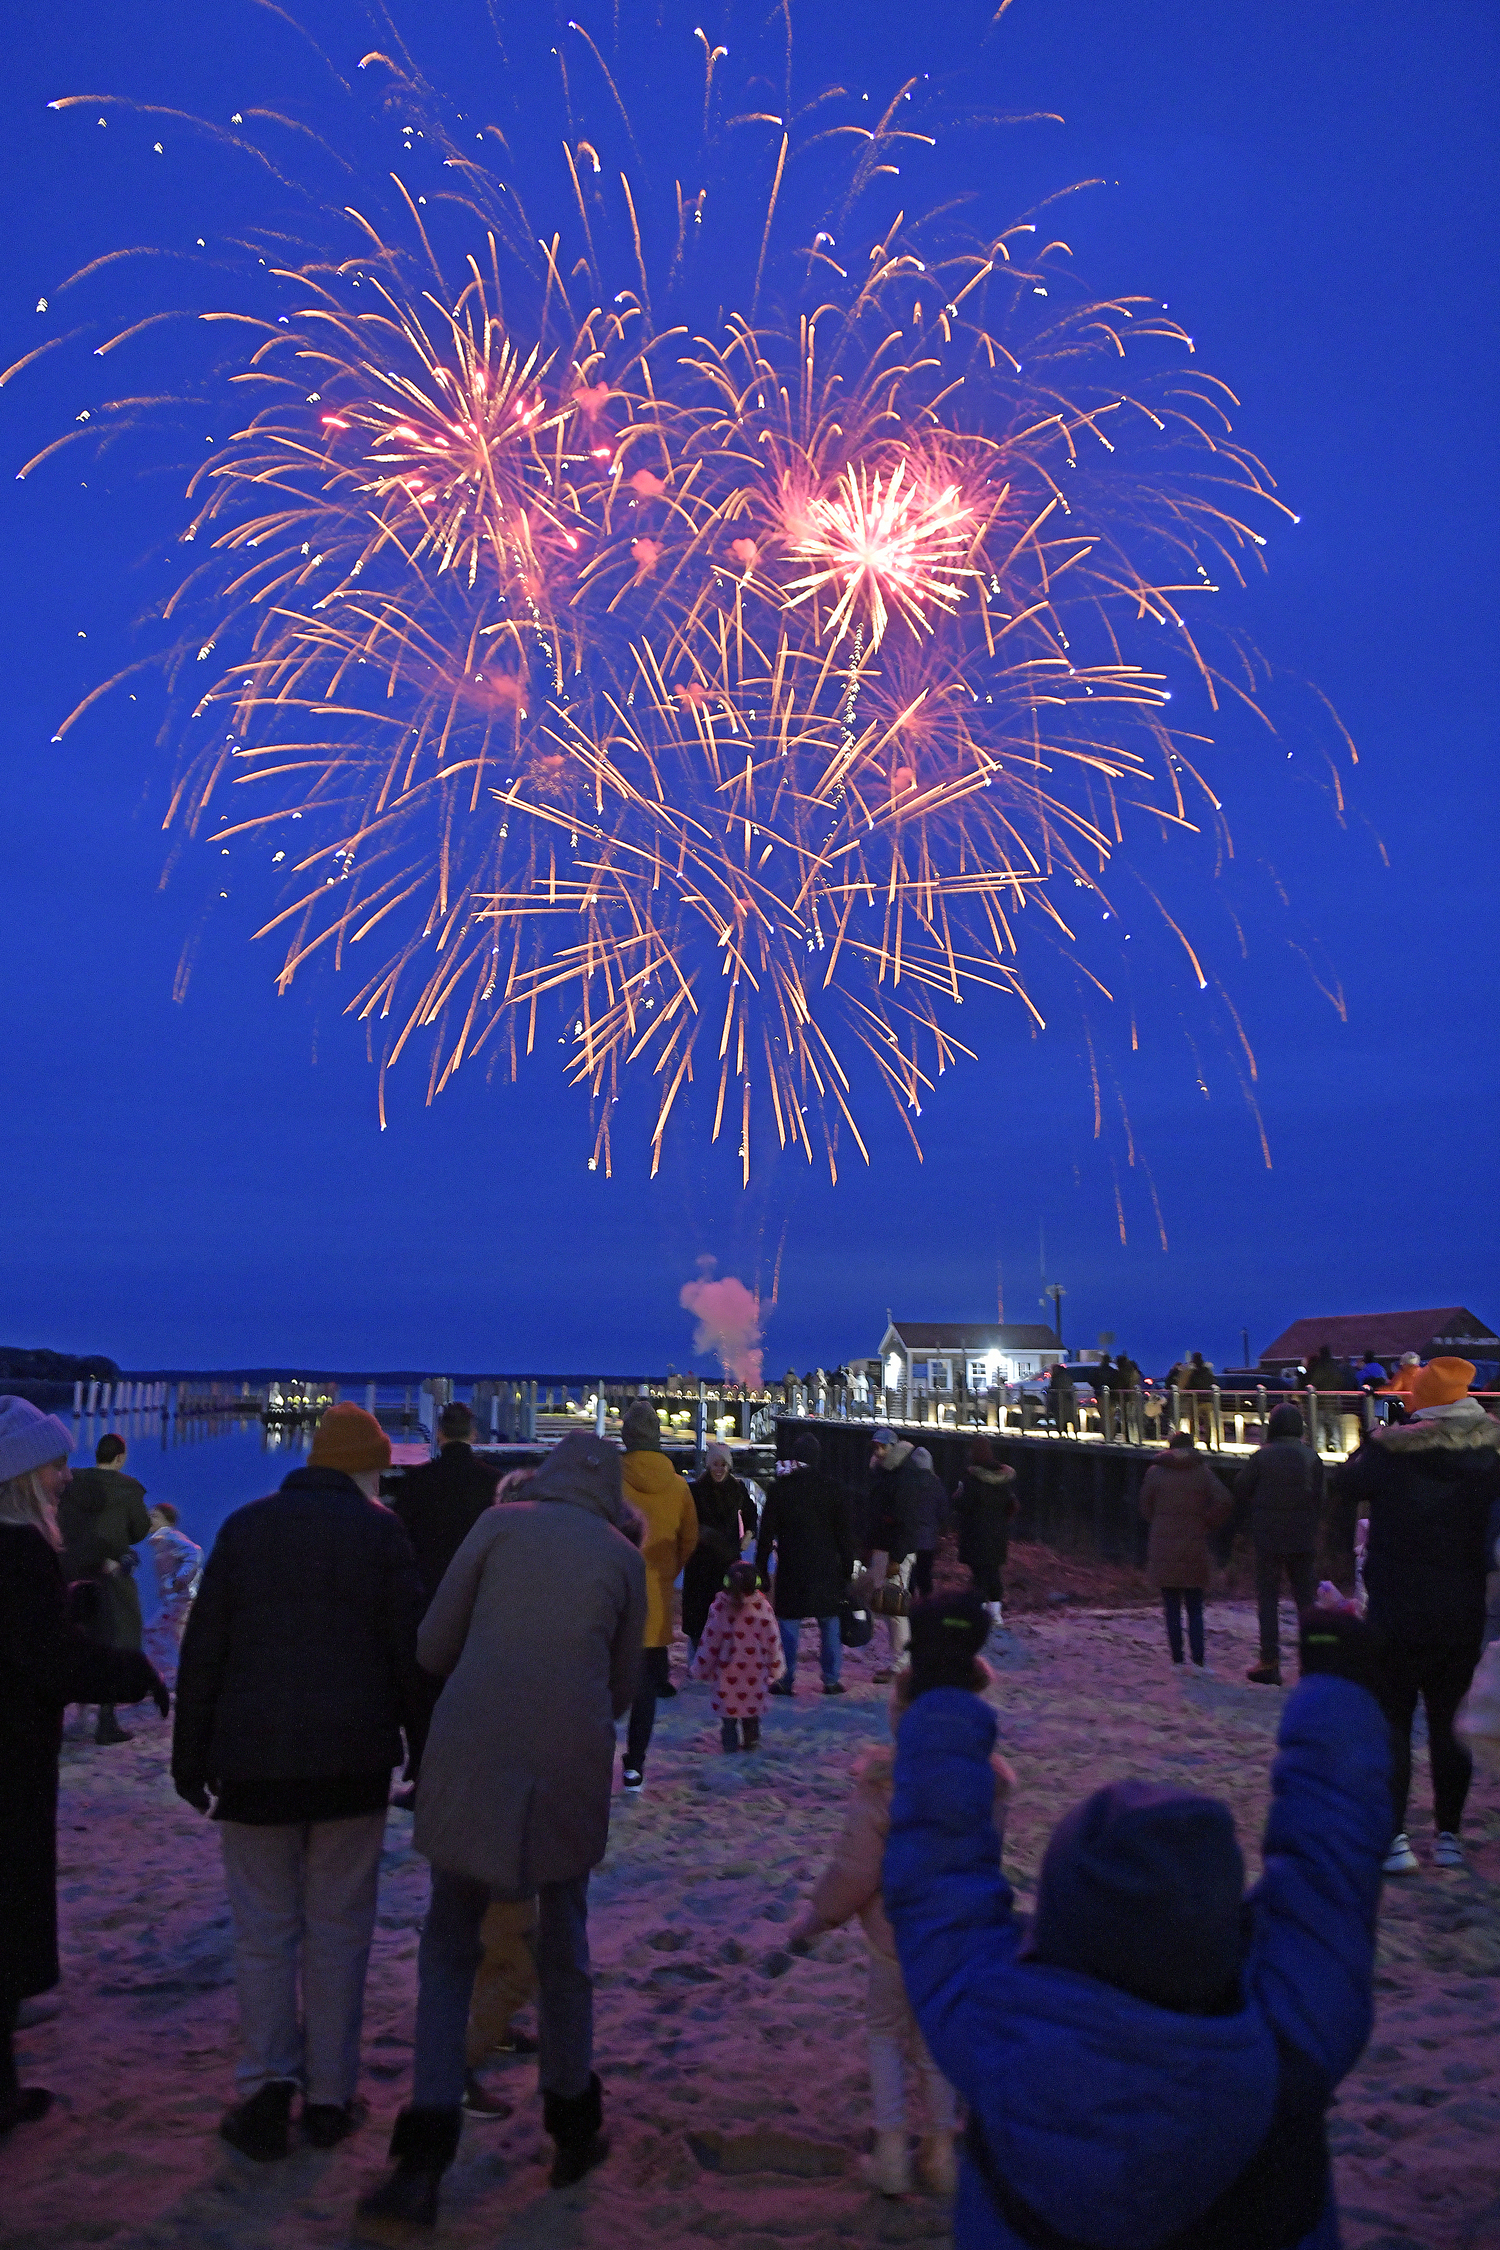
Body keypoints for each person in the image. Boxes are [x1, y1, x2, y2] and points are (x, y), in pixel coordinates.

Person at [884, 1606, 1392, 2249]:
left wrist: (941, 1688)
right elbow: (1331, 1872)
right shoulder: (1293, 2034)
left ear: (1056, 1922)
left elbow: (937, 1877)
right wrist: (1339, 1695)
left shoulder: (991, 2027)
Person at [357, 1431, 647, 2224]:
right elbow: (623, 1687)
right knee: (566, 1943)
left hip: (474, 1751)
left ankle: (423, 2152)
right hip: (567, 1761)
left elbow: (431, 1645)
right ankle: (572, 2124)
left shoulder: (496, 1527)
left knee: (450, 1941)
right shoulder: (622, 1559)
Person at [172, 1402, 429, 2160]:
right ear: (364, 1468)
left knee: (263, 1933)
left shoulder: (245, 1528)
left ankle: (264, 2088)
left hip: (251, 1767)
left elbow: (204, 1650)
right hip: (351, 1764)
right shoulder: (381, 1533)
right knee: (340, 1931)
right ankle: (328, 2095)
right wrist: (422, 1746)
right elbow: (406, 1652)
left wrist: (190, 1759)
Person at [788, 1600, 1012, 2199]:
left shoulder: (884, 1782)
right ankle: (940, 2152)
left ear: (900, 1714)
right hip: (958, 1932)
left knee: (887, 2033)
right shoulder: (991, 1778)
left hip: (892, 1938)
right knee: (938, 2038)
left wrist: (818, 1918)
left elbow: (856, 1868)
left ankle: (890, 2150)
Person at [0, 1397, 167, 2135]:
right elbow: (43, 1660)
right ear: (22, 1476)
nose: (65, 1478)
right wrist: (128, 1671)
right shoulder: (21, 1552)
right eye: (54, 1465)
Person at [1331, 1358, 1500, 1876]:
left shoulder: (1392, 1450)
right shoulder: (1492, 1452)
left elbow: (1344, 1484)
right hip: (1463, 1608)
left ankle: (1395, 1838)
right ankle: (1448, 1835)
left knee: (1394, 1725)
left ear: (1421, 1400)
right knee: (1450, 1725)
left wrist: (1383, 1434)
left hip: (1397, 1608)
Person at [618, 1402, 697, 1790]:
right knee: (647, 1688)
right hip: (655, 1599)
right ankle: (635, 1764)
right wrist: (668, 1573)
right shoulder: (680, 1486)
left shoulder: (610, 1481)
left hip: (613, 1598)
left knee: (601, 1683)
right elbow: (689, 1539)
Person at [57, 1431, 151, 1745]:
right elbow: (138, 1530)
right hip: (110, 1571)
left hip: (70, 1569)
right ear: (120, 1457)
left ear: (98, 1454)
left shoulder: (71, 1482)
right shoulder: (129, 1490)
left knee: (72, 1638)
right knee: (117, 1639)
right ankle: (106, 1723)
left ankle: (58, 1717)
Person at [756, 1432, 856, 1695]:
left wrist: (761, 1569)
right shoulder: (833, 1488)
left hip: (792, 1566)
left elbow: (766, 1533)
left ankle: (785, 1679)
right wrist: (847, 1570)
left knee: (788, 1624)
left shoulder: (780, 1489)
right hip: (826, 1568)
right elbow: (845, 1534)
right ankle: (831, 1678)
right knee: (829, 1623)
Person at [1235, 1405, 1326, 1686]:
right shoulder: (1311, 1457)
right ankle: (1312, 1663)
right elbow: (1321, 1497)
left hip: (1268, 1536)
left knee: (1268, 1600)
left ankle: (1270, 1661)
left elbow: (1241, 1487)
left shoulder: (1262, 1457)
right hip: (1302, 1535)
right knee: (1307, 1601)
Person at [388, 1401, 503, 1611]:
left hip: (428, 1582)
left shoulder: (417, 1479)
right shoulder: (493, 1480)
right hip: (476, 1584)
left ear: (439, 1434)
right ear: (473, 1434)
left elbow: (400, 1534)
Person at [1138, 1431, 1232, 1669]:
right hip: (1194, 1543)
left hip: (1163, 1545)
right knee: (1194, 1606)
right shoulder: (1202, 1472)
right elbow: (1224, 1500)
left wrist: (1158, 1521)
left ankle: (1177, 1659)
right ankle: (1198, 1659)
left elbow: (1144, 1505)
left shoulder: (1155, 1472)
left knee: (1171, 1607)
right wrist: (1207, 1521)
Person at [690, 1560, 784, 1750]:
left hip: (727, 1676)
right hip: (754, 1674)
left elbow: (710, 1642)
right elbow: (772, 1641)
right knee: (751, 1715)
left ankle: (730, 1748)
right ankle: (752, 1744)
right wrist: (776, 1668)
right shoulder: (762, 1608)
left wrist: (700, 1669)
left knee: (729, 1719)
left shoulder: (719, 1609)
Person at [682, 1442, 758, 1661]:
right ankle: (696, 1661)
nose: (719, 1469)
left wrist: (749, 1534)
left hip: (728, 1561)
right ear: (708, 1465)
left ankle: (723, 1659)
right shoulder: (695, 1490)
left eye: (723, 1464)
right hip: (701, 1560)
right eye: (715, 1464)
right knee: (698, 1615)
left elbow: (751, 1512)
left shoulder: (737, 1489)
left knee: (726, 1612)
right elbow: (686, 1521)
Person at [867, 1427, 922, 1681]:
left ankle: (902, 1663)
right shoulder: (885, 1473)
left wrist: (897, 1558)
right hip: (884, 1545)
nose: (877, 1452)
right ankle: (901, 1658)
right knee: (887, 1605)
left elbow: (906, 1521)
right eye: (875, 1447)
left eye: (881, 1447)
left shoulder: (902, 1477)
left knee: (895, 1606)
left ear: (892, 1447)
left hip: (894, 1549)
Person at [949, 1438, 1019, 1624]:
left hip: (976, 1533)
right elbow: (1012, 1505)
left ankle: (979, 1614)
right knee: (993, 1571)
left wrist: (956, 1498)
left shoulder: (972, 1479)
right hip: (997, 1534)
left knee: (979, 1574)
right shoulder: (1003, 1478)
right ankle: (995, 1613)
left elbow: (962, 1505)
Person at [142, 1502, 202, 1688]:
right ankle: (179, 1680)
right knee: (177, 1639)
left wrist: (180, 1579)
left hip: (180, 1600)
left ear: (166, 1520)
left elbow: (194, 1552)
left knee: (155, 1633)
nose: (149, 1519)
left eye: (155, 1516)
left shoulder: (170, 1537)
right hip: (178, 1600)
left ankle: (167, 1680)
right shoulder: (162, 1541)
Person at [906, 1445, 950, 1600]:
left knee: (908, 1575)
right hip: (928, 1538)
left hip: (909, 1537)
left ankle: (908, 1606)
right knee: (925, 1574)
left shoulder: (907, 1483)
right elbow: (943, 1511)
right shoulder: (936, 1484)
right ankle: (926, 1606)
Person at [1045, 1361, 1078, 1437]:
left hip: (1059, 1401)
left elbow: (1054, 1386)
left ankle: (1061, 1432)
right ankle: (1071, 1432)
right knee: (1069, 1417)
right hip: (1068, 1401)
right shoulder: (1067, 1376)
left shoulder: (1056, 1378)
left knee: (1060, 1417)